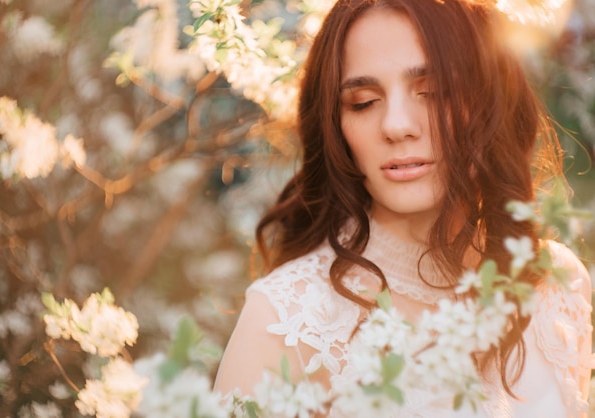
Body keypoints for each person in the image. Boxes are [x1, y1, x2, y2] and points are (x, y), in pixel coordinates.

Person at [214, 0, 593, 416]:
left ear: (489, 99)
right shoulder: (287, 320)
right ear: (337, 127)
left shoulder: (557, 284)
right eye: (362, 102)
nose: (396, 125)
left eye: (432, 92)